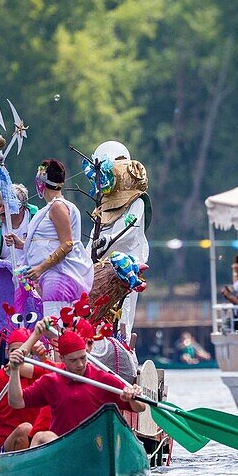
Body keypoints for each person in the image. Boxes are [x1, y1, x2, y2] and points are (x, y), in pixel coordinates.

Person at [8, 328, 146, 447]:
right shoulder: (51, 380)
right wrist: (14, 371)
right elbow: (17, 402)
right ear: (62, 359)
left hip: (95, 445)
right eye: (73, 360)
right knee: (43, 436)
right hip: (61, 447)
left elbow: (141, 407)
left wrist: (133, 398)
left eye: (83, 358)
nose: (80, 365)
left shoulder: (102, 379)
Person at [90, 142, 150, 337]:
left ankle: (122, 348)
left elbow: (129, 229)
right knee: (97, 314)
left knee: (122, 315)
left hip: (127, 269)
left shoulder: (138, 201)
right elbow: (92, 238)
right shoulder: (103, 205)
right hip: (101, 271)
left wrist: (106, 240)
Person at [21, 158, 94, 316]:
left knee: (53, 331)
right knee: (55, 331)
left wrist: (40, 268)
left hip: (58, 279)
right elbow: (47, 242)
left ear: (41, 183)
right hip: (53, 279)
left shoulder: (58, 207)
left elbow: (67, 244)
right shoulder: (52, 207)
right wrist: (20, 244)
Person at [0, 184, 36, 259]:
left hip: (32, 267)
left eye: (8, 208)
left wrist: (23, 245)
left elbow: (44, 248)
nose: (2, 210)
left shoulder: (35, 217)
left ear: (22, 208)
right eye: (0, 205)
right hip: (2, 269)